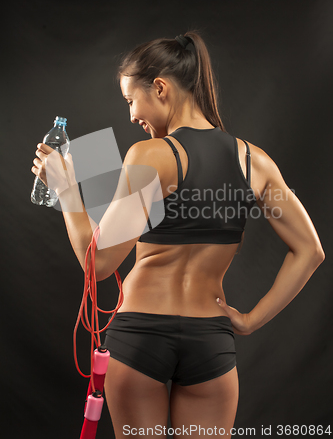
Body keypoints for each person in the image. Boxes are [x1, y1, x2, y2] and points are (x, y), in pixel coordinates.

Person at [32, 31, 325, 437]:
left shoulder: (151, 155)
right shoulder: (254, 162)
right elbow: (310, 251)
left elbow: (96, 263)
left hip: (140, 337)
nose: (131, 116)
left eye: (130, 101)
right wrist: (250, 320)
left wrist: (65, 189)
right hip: (210, 341)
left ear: (160, 88)